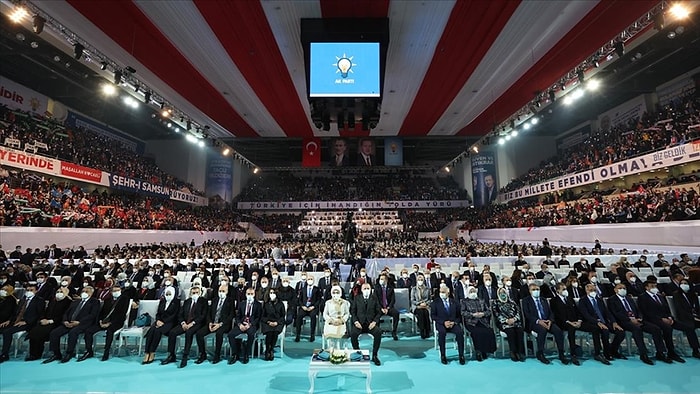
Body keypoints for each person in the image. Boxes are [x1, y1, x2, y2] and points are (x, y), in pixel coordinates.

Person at [637, 280, 691, 363]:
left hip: (666, 319)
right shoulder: (642, 297)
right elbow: (646, 312)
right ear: (646, 287)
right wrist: (661, 319)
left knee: (688, 327)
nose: (654, 288)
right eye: (652, 286)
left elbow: (667, 309)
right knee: (666, 328)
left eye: (655, 286)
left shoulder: (660, 296)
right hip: (652, 320)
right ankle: (665, 352)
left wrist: (670, 317)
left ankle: (695, 349)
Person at [606, 283, 662, 365]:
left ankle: (660, 353)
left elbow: (637, 310)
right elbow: (616, 313)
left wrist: (639, 318)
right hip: (623, 321)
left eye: (624, 288)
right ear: (615, 290)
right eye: (620, 288)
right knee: (637, 330)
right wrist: (630, 319)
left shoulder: (629, 299)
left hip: (636, 320)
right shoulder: (611, 300)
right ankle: (643, 354)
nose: (623, 289)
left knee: (655, 329)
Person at [44, 286, 100, 363]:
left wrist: (79, 322)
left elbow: (92, 315)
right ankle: (56, 354)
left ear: (91, 293)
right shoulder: (75, 302)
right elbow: (66, 313)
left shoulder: (94, 302)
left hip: (83, 324)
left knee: (73, 332)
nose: (84, 293)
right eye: (83, 291)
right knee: (54, 333)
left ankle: (69, 353)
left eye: (86, 292)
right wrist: (65, 321)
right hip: (69, 322)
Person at [577, 283, 626, 364]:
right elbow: (586, 315)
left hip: (604, 322)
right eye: (591, 290)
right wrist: (597, 322)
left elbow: (607, 312)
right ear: (586, 290)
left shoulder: (599, 300)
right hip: (592, 323)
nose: (593, 292)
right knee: (604, 331)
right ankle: (603, 353)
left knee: (621, 332)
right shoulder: (583, 301)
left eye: (594, 290)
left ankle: (613, 350)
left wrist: (614, 322)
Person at [80, 284, 130, 361]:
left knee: (109, 332)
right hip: (103, 322)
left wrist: (110, 323)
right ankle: (89, 351)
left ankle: (106, 352)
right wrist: (100, 321)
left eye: (117, 290)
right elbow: (101, 312)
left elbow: (122, 314)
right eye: (114, 291)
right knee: (89, 331)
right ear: (111, 292)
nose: (116, 292)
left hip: (116, 322)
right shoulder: (107, 300)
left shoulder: (125, 299)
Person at [521, 284, 568, 365]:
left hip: (547, 321)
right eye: (534, 289)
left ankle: (561, 353)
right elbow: (527, 314)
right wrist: (538, 321)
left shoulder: (544, 300)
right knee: (542, 330)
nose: (536, 291)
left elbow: (550, 312)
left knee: (558, 331)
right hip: (535, 322)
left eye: (537, 289)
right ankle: (540, 353)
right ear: (529, 291)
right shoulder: (526, 300)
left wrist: (550, 320)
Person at [162, 286, 208, 368]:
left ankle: (185, 356)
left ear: (200, 293)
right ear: (190, 293)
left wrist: (192, 323)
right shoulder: (187, 301)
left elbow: (203, 316)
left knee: (189, 333)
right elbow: (180, 314)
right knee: (172, 332)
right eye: (193, 293)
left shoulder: (203, 301)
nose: (195, 294)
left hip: (196, 324)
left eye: (197, 293)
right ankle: (171, 355)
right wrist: (183, 323)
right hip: (185, 323)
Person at [549, 283, 590, 365]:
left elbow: (578, 311)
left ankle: (598, 352)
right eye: (563, 289)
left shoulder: (570, 299)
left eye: (566, 289)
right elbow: (557, 315)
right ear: (557, 291)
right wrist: (569, 322)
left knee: (594, 327)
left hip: (575, 321)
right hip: (563, 323)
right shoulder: (553, 301)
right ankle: (573, 354)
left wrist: (579, 320)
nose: (565, 291)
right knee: (571, 329)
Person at [26, 287, 71, 361]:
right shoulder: (52, 300)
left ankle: (41, 353)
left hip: (56, 322)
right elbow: (46, 311)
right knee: (34, 332)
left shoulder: (68, 302)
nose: (59, 293)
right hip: (46, 321)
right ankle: (33, 354)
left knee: (42, 333)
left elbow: (64, 315)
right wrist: (43, 318)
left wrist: (50, 321)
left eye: (61, 291)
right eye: (58, 291)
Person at [195, 285, 234, 364]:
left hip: (224, 324)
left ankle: (217, 355)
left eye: (223, 291)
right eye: (220, 291)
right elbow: (208, 313)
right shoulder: (214, 300)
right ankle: (202, 354)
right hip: (212, 323)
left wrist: (220, 324)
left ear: (227, 292)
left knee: (219, 333)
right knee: (199, 333)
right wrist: (209, 323)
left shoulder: (230, 301)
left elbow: (231, 315)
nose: (221, 293)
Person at [142, 286, 179, 365]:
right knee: (151, 330)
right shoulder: (162, 302)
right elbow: (158, 313)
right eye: (167, 294)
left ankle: (152, 351)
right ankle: (146, 352)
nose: (168, 295)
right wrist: (158, 320)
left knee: (157, 331)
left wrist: (163, 322)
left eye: (170, 294)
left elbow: (175, 315)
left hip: (170, 323)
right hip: (159, 321)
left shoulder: (176, 302)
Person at [350, 283, 382, 366]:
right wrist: (356, 321)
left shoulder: (374, 298)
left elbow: (378, 312)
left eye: (368, 288)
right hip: (359, 324)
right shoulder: (357, 298)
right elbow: (353, 312)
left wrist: (374, 322)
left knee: (378, 332)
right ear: (361, 290)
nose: (366, 290)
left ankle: (375, 355)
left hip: (370, 324)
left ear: (371, 289)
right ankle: (357, 353)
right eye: (364, 288)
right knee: (353, 333)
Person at [460, 286, 496, 361]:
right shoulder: (464, 301)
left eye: (474, 291)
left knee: (489, 331)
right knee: (477, 332)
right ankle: (478, 351)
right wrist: (472, 315)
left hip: (482, 321)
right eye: (471, 291)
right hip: (471, 322)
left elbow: (488, 311)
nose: (473, 293)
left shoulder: (481, 300)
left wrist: (483, 314)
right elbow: (463, 312)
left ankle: (485, 350)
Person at [227, 287, 261, 364]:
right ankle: (235, 354)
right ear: (245, 294)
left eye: (251, 294)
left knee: (251, 334)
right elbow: (237, 316)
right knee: (231, 335)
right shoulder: (242, 304)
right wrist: (239, 324)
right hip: (241, 324)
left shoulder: (258, 305)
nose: (250, 295)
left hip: (251, 325)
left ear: (254, 294)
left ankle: (247, 354)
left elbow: (258, 318)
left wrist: (250, 324)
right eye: (248, 294)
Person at [431, 286, 465, 365]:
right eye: (441, 292)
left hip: (453, 323)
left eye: (443, 292)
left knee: (460, 332)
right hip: (441, 323)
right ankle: (443, 355)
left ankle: (461, 355)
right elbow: (433, 316)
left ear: (448, 293)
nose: (441, 293)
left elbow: (459, 316)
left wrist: (454, 322)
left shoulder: (455, 302)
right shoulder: (435, 302)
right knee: (442, 333)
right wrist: (443, 322)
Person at [492, 287, 525, 362]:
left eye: (504, 292)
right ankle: (513, 351)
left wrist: (514, 319)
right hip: (503, 323)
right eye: (500, 293)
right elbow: (496, 314)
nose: (502, 294)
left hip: (515, 321)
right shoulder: (496, 302)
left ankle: (520, 351)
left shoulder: (512, 301)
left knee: (519, 330)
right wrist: (506, 320)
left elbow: (518, 312)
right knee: (511, 332)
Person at [672, 278, 700, 358]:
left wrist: (697, 317)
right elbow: (680, 310)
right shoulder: (676, 294)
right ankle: (695, 350)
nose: (683, 285)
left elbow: (697, 308)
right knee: (690, 328)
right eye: (682, 283)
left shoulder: (693, 294)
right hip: (684, 318)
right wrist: (692, 318)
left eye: (685, 283)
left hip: (695, 317)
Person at [261, 288, 286, 361]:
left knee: (275, 332)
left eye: (273, 293)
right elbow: (262, 316)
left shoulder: (280, 304)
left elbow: (283, 316)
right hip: (267, 322)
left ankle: (271, 349)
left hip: (277, 323)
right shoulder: (266, 304)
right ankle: (267, 349)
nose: (272, 294)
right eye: (270, 292)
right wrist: (269, 322)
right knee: (269, 332)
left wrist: (277, 322)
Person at [295, 274, 321, 342]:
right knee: (299, 316)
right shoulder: (303, 289)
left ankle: (312, 335)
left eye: (311, 279)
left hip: (312, 308)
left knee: (313, 316)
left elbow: (319, 300)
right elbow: (299, 300)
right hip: (304, 307)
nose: (310, 280)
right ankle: (298, 334)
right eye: (308, 279)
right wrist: (302, 306)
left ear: (313, 280)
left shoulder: (316, 289)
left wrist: (313, 306)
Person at [322, 285, 350, 349]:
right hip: (331, 322)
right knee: (330, 335)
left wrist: (342, 320)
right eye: (334, 292)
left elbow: (347, 314)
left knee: (340, 336)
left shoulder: (345, 303)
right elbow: (325, 314)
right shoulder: (328, 303)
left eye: (337, 292)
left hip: (341, 322)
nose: (335, 294)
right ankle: (331, 349)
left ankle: (340, 351)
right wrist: (331, 321)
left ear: (340, 293)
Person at [374, 274, 400, 340]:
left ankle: (394, 332)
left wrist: (388, 308)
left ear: (386, 280)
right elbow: (375, 300)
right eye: (380, 279)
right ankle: (377, 333)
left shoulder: (390, 288)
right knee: (376, 314)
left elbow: (393, 300)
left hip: (389, 308)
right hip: (380, 308)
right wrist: (381, 308)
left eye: (383, 279)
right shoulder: (376, 288)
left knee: (396, 313)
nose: (381, 280)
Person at [411, 274, 432, 339]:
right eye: (419, 280)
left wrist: (425, 303)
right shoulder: (414, 289)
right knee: (421, 313)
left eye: (421, 280)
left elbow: (430, 299)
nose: (420, 281)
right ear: (417, 280)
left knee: (425, 313)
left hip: (426, 306)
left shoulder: (427, 289)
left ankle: (427, 330)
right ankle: (422, 330)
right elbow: (412, 300)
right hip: (417, 306)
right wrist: (419, 304)